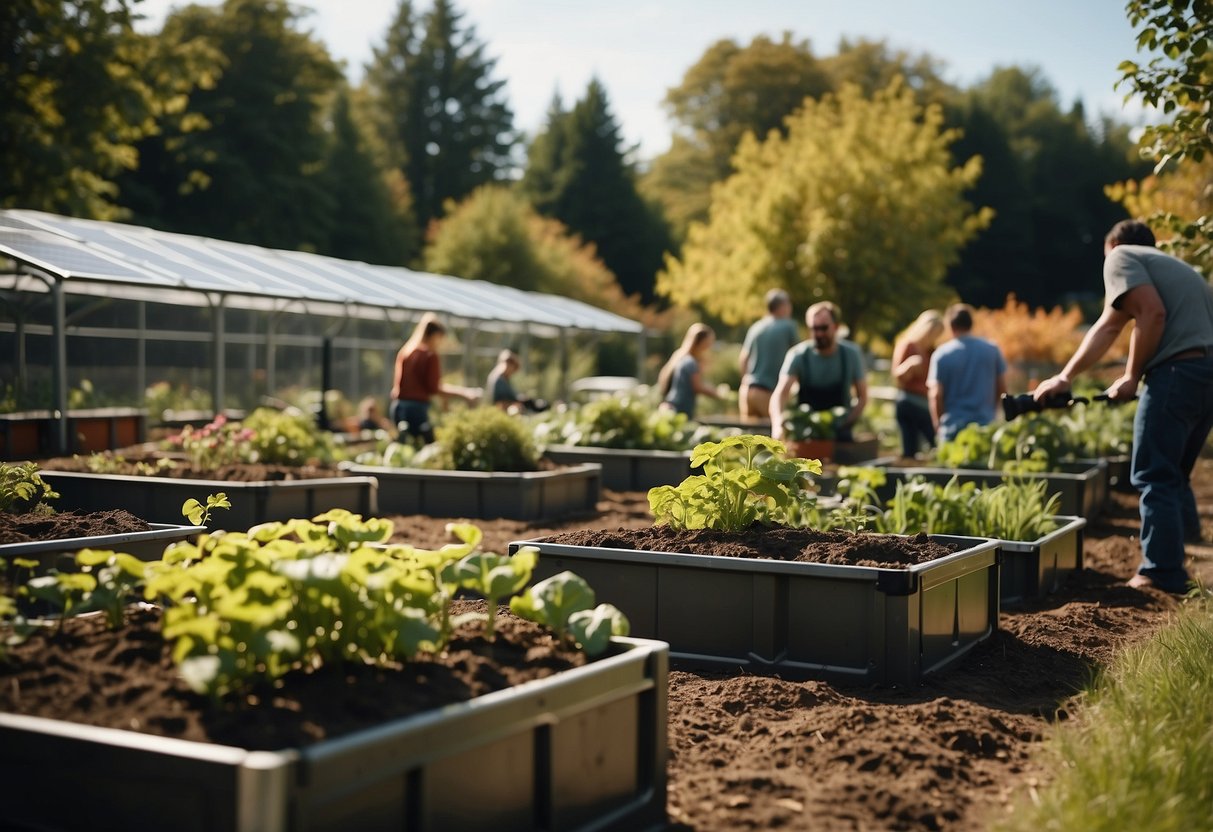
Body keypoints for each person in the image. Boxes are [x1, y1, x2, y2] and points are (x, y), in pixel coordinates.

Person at [1034, 220, 1213, 593]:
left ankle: (1162, 573)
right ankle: (1185, 554)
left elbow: (1151, 314)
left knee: (1153, 473)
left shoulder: (1120, 256)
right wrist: (1065, 377)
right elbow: (1109, 325)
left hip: (1177, 372)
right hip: (1204, 374)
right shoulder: (1181, 271)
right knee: (1174, 471)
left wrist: (1132, 376)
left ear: (1112, 244)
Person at [769, 301, 867, 442]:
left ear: (836, 327)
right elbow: (780, 394)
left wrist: (845, 425)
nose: (818, 334)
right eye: (814, 328)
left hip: (840, 430)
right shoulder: (798, 355)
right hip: (805, 430)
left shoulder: (851, 354)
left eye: (823, 328)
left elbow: (862, 397)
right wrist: (778, 424)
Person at [389, 313, 478, 444]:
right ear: (435, 336)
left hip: (398, 408)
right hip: (416, 410)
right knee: (424, 448)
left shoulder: (406, 352)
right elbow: (434, 388)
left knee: (402, 449)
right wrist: (464, 394)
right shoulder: (429, 355)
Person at [927, 303, 1007, 443]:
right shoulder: (992, 350)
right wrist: (992, 412)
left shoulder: (941, 354)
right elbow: (1002, 388)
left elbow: (935, 394)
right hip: (984, 426)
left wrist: (938, 424)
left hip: (953, 428)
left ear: (951, 326)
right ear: (971, 324)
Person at [738, 289, 800, 420]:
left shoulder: (756, 327)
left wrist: (745, 381)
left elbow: (743, 358)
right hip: (768, 392)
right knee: (775, 436)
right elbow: (798, 356)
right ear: (783, 306)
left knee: (748, 437)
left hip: (747, 391)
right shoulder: (789, 326)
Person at [892, 309, 945, 457]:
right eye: (933, 333)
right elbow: (896, 375)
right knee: (911, 448)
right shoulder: (907, 345)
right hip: (909, 400)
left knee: (936, 444)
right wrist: (909, 365)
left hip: (925, 404)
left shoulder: (932, 351)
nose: (934, 337)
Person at [658, 323, 725, 419]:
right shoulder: (690, 362)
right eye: (709, 342)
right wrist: (717, 393)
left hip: (671, 407)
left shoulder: (680, 357)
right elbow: (698, 387)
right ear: (702, 343)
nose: (710, 346)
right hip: (680, 411)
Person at [484, 349, 549, 412]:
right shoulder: (499, 380)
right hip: (505, 409)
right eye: (513, 369)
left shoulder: (501, 377)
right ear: (509, 365)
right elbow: (501, 403)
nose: (512, 373)